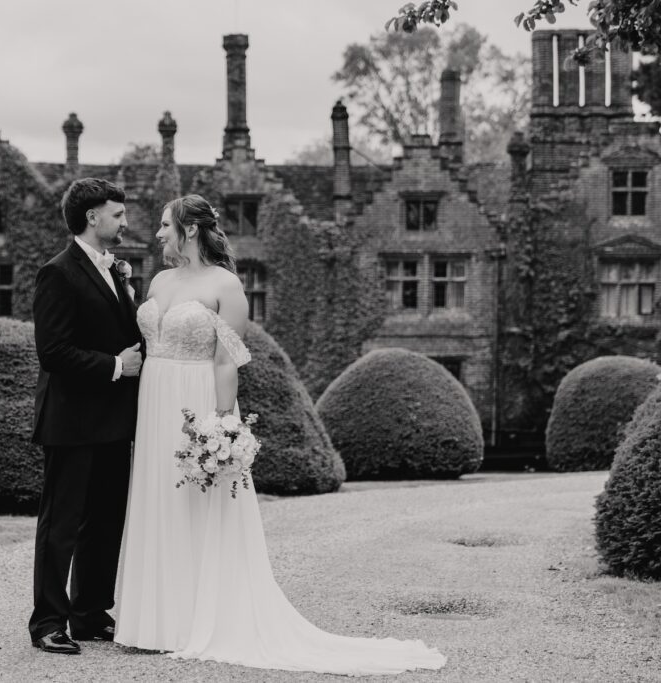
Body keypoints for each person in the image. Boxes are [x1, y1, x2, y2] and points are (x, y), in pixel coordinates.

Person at [113, 194, 447, 675]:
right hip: (153, 398)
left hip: (196, 398)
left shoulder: (227, 285)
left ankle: (197, 620)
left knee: (200, 505)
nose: (158, 234)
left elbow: (227, 360)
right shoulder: (160, 280)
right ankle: (156, 623)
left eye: (165, 226)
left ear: (188, 229)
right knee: (158, 500)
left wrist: (222, 426)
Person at [29, 178, 143, 655]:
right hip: (72, 421)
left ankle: (90, 612)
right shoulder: (58, 272)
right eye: (117, 214)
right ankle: (48, 622)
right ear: (92, 217)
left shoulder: (115, 271)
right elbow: (53, 352)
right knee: (63, 524)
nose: (124, 222)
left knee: (106, 521)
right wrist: (117, 366)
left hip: (114, 421)